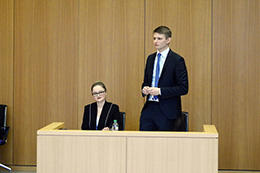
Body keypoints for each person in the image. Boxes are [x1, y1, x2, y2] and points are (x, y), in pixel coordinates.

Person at [140, 26, 188, 131]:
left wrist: (160, 91)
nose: (155, 41)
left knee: (165, 145)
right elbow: (146, 81)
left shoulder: (177, 60)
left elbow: (183, 88)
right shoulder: (150, 58)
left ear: (168, 40)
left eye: (159, 38)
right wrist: (144, 89)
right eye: (154, 38)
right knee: (143, 143)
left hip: (167, 111)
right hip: (149, 108)